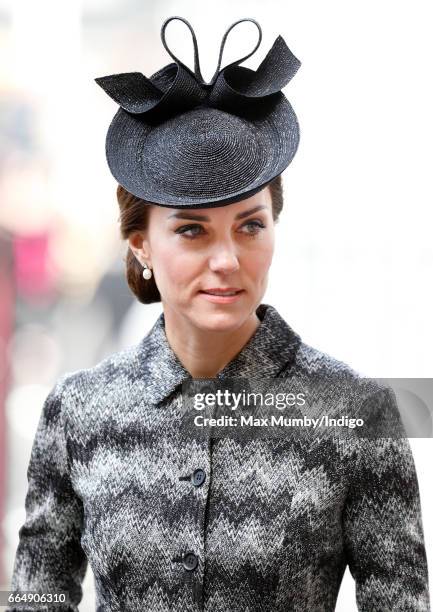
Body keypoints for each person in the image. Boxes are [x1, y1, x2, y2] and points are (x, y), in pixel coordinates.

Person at [8, 16, 430, 612]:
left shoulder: (355, 414)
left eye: (251, 225)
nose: (228, 259)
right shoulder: (78, 414)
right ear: (141, 244)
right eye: (191, 230)